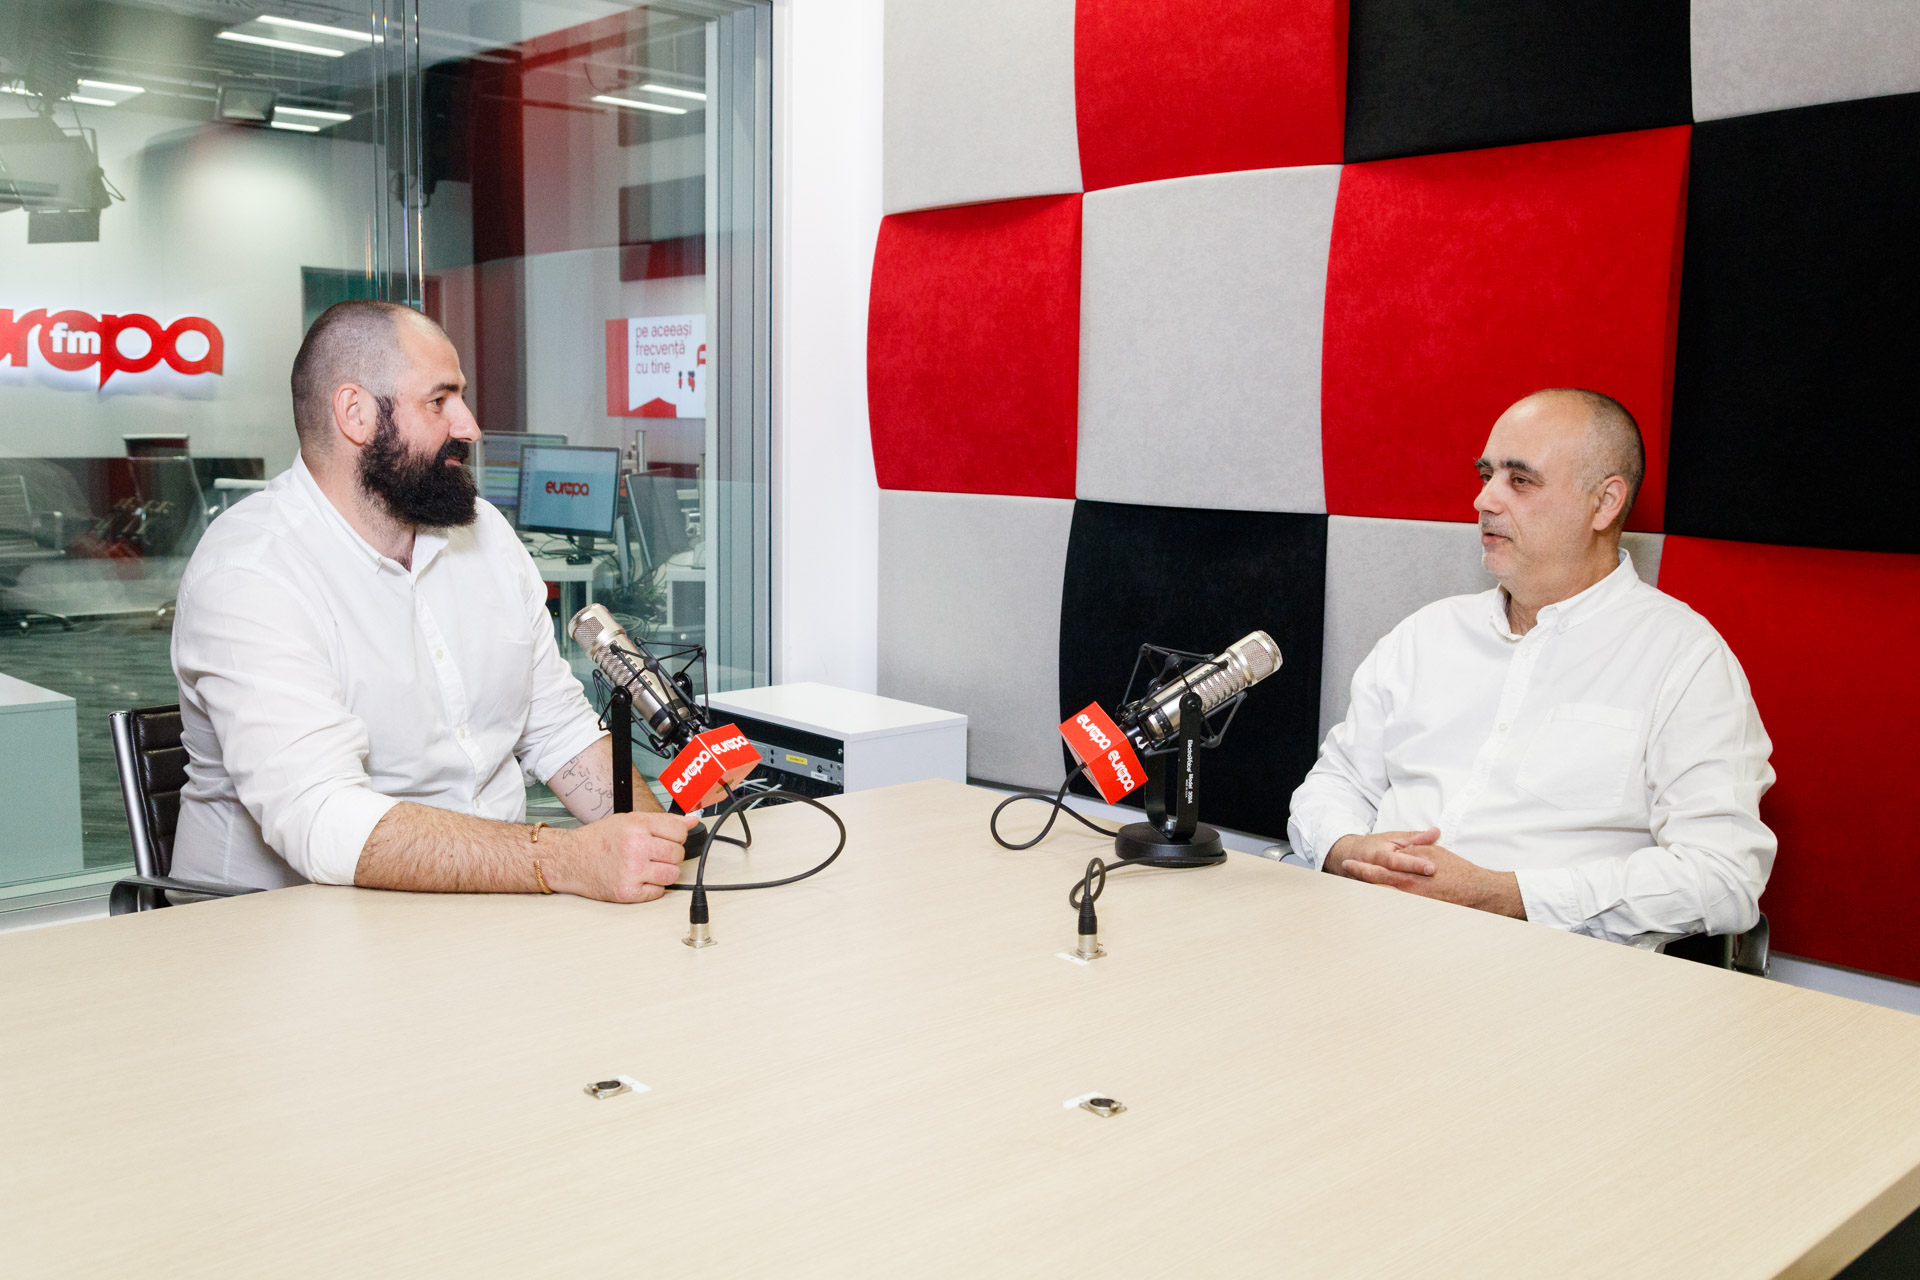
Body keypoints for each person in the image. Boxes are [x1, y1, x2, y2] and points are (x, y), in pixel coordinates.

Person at [171, 300, 693, 901]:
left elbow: (557, 729)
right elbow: (322, 818)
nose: (469, 426)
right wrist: (564, 860)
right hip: (281, 928)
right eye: (439, 401)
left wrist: (660, 849)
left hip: (485, 902)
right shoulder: (250, 572)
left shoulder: (485, 534)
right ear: (355, 413)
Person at [1287, 389, 1775, 946]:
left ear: (1604, 503)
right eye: (1486, 474)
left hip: (1551, 975)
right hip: (1368, 941)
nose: (1484, 500)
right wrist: (1345, 847)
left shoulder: (1684, 659)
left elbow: (1723, 877)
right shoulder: (1425, 634)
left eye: (1520, 480)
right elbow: (1336, 784)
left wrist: (1505, 895)